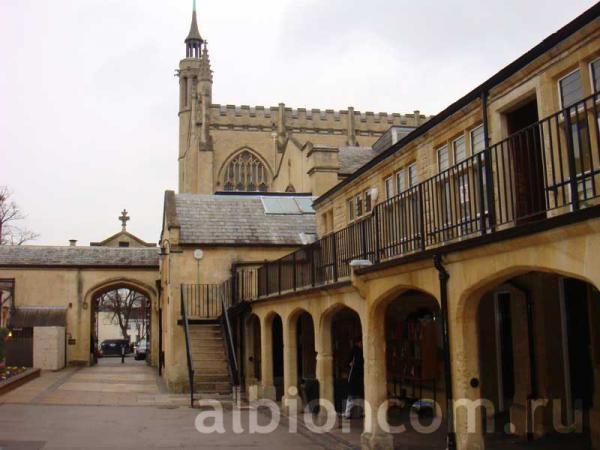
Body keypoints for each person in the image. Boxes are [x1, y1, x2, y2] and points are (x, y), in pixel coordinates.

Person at [343, 338, 364, 419]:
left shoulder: (360, 351)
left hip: (358, 376)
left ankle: (352, 412)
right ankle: (348, 412)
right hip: (354, 376)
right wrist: (351, 365)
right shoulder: (355, 351)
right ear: (359, 342)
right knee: (352, 395)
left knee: (358, 395)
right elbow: (348, 362)